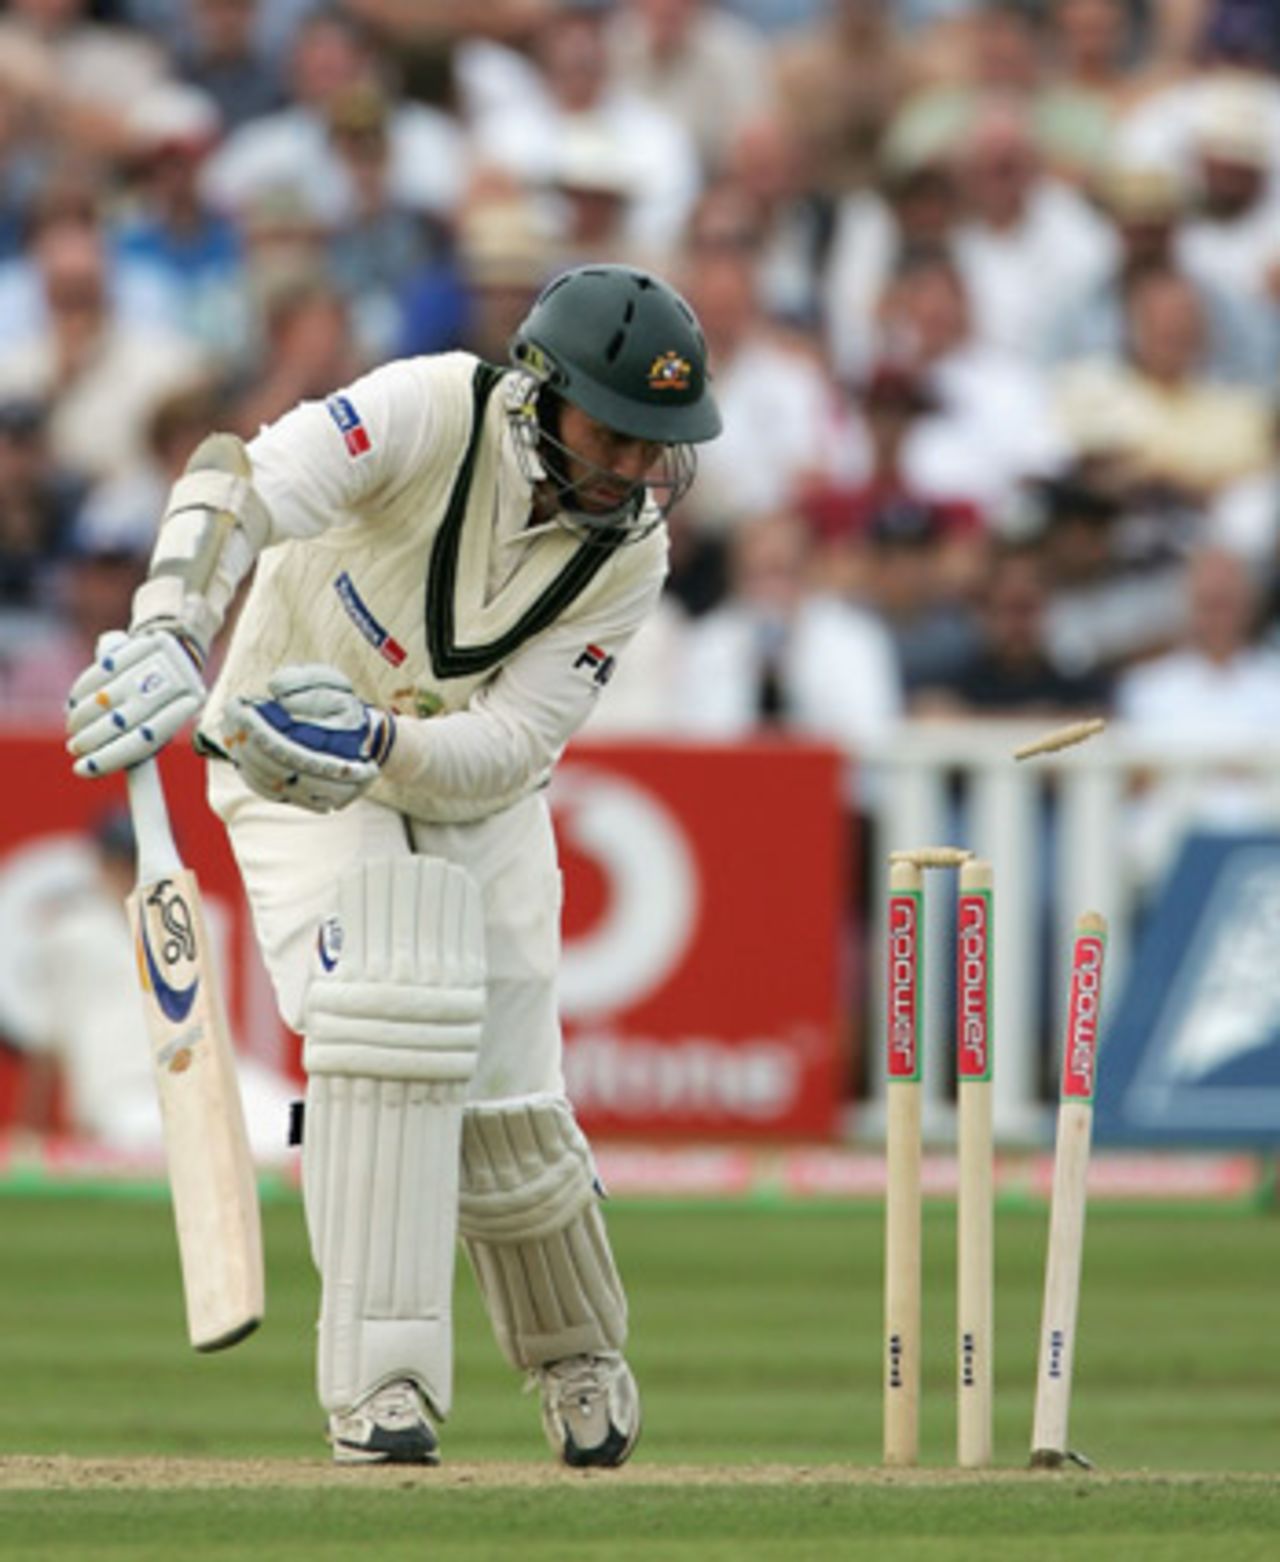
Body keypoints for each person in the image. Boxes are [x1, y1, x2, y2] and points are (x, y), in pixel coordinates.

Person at [64, 263, 721, 1469]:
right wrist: (171, 626)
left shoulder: (629, 558)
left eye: (654, 448)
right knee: (379, 1012)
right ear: (542, 394)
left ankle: (573, 1343)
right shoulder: (428, 408)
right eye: (614, 435)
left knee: (513, 1100)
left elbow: (513, 743)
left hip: (453, 779)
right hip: (276, 757)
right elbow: (242, 476)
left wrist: (373, 739)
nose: (634, 469)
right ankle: (383, 1385)